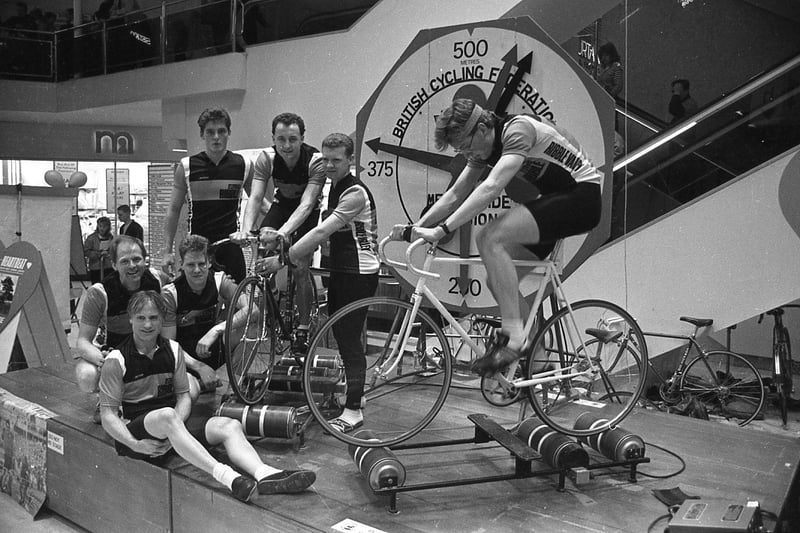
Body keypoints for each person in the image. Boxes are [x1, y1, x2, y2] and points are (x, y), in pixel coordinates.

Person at [394, 98, 602, 377]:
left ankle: (514, 339)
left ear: (482, 127)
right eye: (460, 149)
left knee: (490, 238)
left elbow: (491, 187)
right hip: (557, 199)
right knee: (499, 279)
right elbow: (456, 193)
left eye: (466, 145)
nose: (467, 153)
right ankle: (540, 365)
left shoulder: (517, 130)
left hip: (582, 198)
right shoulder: (484, 144)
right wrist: (416, 227)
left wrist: (442, 230)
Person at [98, 290, 315, 503]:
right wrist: (135, 444)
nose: (147, 325)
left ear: (162, 320)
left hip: (171, 426)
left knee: (228, 425)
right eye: (141, 318)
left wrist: (176, 429)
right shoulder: (117, 360)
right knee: (166, 416)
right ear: (130, 320)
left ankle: (265, 473)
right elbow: (108, 415)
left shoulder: (173, 350)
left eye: (154, 318)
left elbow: (183, 396)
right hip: (139, 434)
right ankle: (229, 478)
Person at [256, 133, 378, 433]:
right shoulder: (332, 188)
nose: (330, 165)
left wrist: (282, 260)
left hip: (359, 273)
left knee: (348, 339)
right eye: (325, 159)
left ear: (351, 160)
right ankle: (355, 396)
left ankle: (353, 410)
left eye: (337, 160)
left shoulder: (354, 193)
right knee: (342, 334)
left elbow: (321, 232)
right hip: (342, 269)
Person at [74, 236, 211, 411]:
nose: (132, 266)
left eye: (137, 259)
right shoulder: (100, 293)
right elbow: (82, 342)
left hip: (151, 354)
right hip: (117, 356)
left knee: (191, 392)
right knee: (86, 375)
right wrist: (103, 360)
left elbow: (189, 282)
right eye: (125, 261)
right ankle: (111, 399)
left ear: (145, 260)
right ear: (114, 265)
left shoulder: (158, 280)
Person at [233, 112, 326, 353]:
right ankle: (271, 293)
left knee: (300, 265)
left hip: (306, 210)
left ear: (302, 138)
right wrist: (246, 230)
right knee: (264, 245)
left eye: (293, 139)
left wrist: (283, 233)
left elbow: (306, 204)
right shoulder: (266, 158)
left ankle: (303, 328)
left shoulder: (315, 160)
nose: (286, 146)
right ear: (273, 138)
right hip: (282, 205)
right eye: (281, 139)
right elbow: (255, 197)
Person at [162, 107, 254, 283]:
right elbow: (173, 210)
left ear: (229, 133)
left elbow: (258, 202)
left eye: (221, 131)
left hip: (231, 246)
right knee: (199, 306)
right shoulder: (187, 166)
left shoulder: (243, 165)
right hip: (197, 249)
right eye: (210, 132)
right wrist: (167, 251)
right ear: (202, 135)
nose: (216, 137)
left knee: (239, 302)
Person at [162, 234, 250, 382]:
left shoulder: (219, 280)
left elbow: (253, 309)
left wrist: (217, 330)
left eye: (201, 264)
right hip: (184, 359)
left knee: (253, 325)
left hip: (210, 348)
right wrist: (199, 367)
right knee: (192, 392)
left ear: (209, 263)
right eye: (190, 265)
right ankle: (198, 382)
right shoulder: (170, 294)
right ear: (181, 264)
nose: (197, 270)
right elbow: (168, 344)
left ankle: (235, 386)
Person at [84, 216, 114, 284]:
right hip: (96, 267)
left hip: (108, 266)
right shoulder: (91, 238)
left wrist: (108, 253)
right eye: (100, 226)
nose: (102, 229)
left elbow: (113, 249)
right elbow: (86, 252)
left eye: (104, 226)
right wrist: (99, 254)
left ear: (108, 227)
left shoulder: (110, 237)